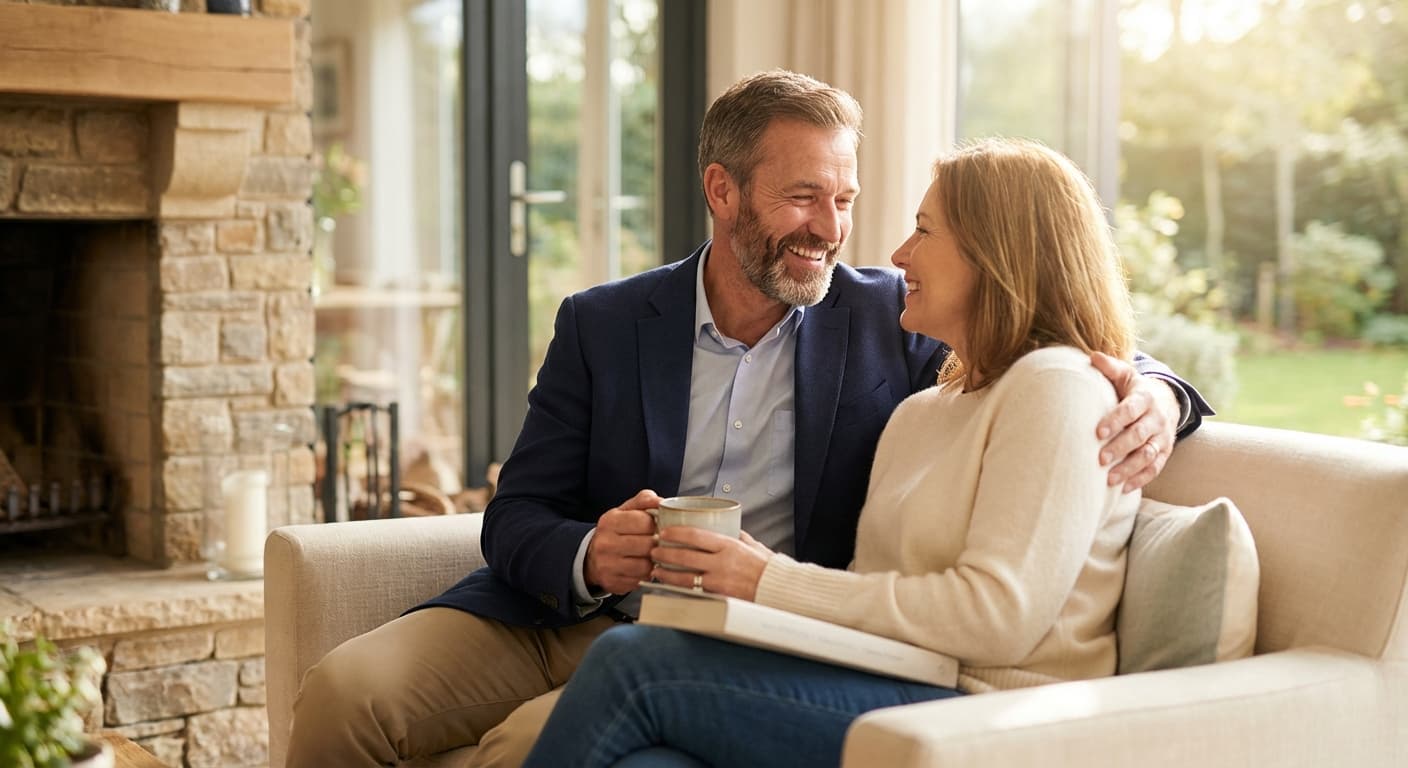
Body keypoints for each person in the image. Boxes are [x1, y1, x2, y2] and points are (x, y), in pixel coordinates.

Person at [284, 71, 1211, 768]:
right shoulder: (603, 323)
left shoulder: (895, 322)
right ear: (723, 191)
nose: (834, 229)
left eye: (844, 199)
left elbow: (1050, 342)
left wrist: (1157, 395)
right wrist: (587, 554)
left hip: (741, 638)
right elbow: (515, 514)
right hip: (564, 612)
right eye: (804, 196)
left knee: (532, 743)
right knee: (343, 693)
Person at [522, 136, 1150, 768]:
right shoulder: (922, 412)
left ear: (999, 254)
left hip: (986, 714)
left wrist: (765, 579)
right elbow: (870, 594)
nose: (900, 253)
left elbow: (1000, 617)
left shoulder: (1059, 389)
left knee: (635, 666)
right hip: (889, 679)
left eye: (924, 231)